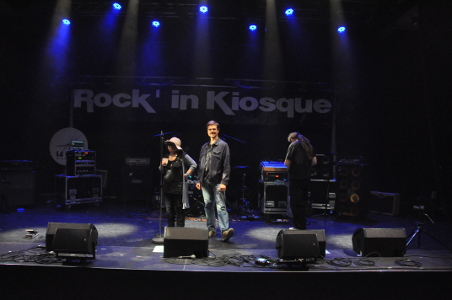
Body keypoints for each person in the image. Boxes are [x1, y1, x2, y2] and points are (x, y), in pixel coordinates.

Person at [196, 120, 234, 242]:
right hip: (205, 181)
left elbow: (226, 165)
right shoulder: (204, 147)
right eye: (210, 129)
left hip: (218, 180)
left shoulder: (223, 145)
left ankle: (224, 231)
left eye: (214, 129)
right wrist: (199, 180)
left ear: (218, 130)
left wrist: (224, 182)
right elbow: (201, 165)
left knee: (221, 206)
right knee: (208, 205)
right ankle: (211, 229)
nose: (212, 131)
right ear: (207, 131)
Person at [160, 137, 197, 228]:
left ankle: (180, 232)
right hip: (167, 187)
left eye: (171, 145)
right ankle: (171, 231)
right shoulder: (166, 156)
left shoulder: (182, 156)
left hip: (178, 188)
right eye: (168, 145)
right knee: (169, 210)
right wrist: (161, 166)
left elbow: (194, 164)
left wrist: (187, 174)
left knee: (179, 209)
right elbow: (161, 170)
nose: (169, 147)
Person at [284, 132, 317, 230]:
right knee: (303, 202)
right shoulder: (308, 145)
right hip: (306, 177)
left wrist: (289, 166)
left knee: (295, 203)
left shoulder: (293, 145)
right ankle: (302, 225)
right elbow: (314, 162)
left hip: (296, 177)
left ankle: (297, 226)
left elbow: (287, 162)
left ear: (292, 139)